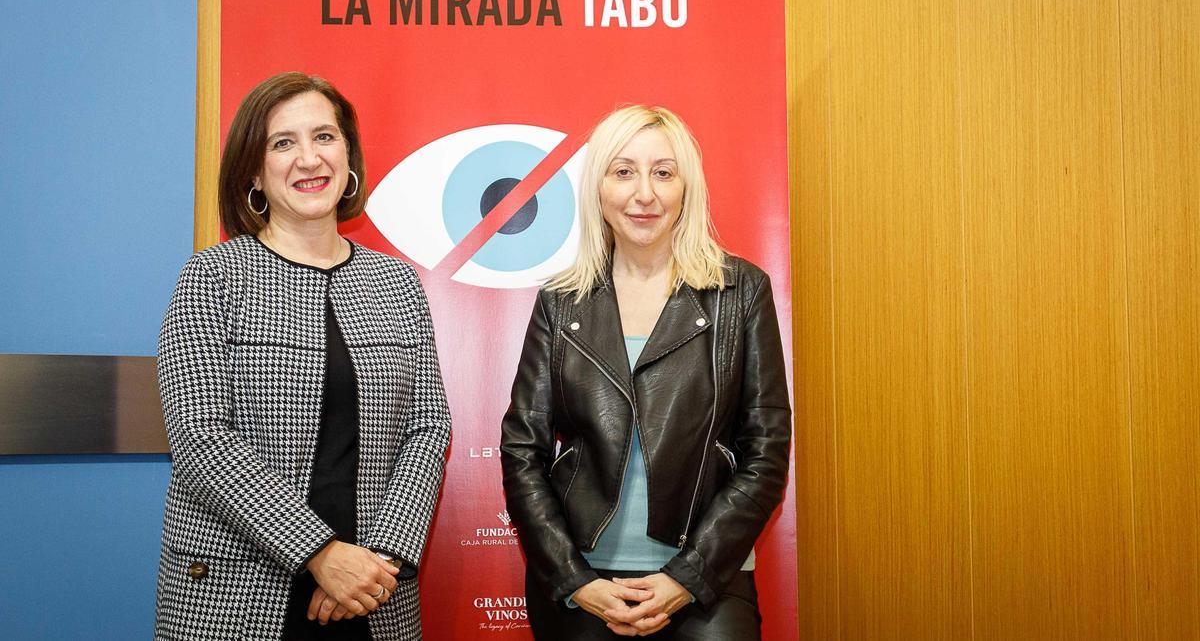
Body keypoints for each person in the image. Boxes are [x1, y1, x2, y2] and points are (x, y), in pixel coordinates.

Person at [154, 72, 451, 640]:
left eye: (325, 137)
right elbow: (200, 436)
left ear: (348, 155)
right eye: (283, 143)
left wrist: (377, 563)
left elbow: (428, 426)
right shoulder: (213, 277)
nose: (309, 158)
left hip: (373, 594)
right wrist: (319, 554)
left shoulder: (395, 282)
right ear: (254, 172)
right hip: (234, 595)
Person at [501, 105, 791, 639]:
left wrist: (688, 575)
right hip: (582, 580)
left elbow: (766, 449)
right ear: (599, 188)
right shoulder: (560, 301)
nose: (644, 194)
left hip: (707, 577)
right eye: (624, 171)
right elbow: (523, 450)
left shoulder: (742, 291)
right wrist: (573, 578)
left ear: (687, 187)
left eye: (663, 172)